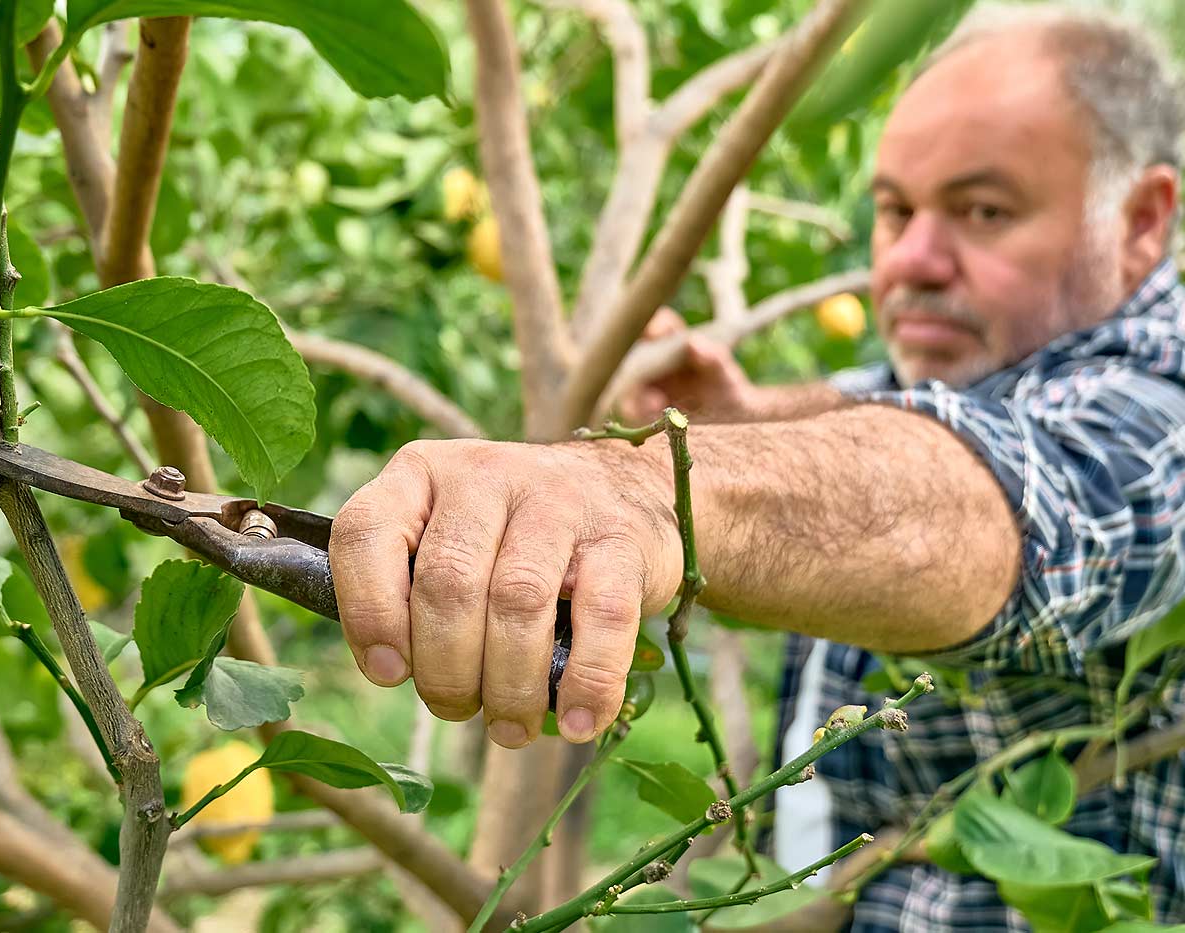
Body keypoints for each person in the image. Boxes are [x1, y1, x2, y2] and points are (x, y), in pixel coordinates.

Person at [327, 4, 1185, 927]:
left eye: (985, 210)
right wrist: (731, 423)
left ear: (1140, 220)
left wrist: (653, 489)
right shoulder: (958, 372)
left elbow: (1017, 496)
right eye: (895, 208)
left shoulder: (1162, 408)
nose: (912, 260)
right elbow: (883, 418)